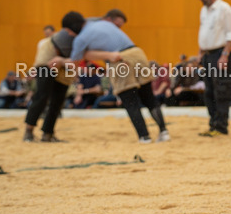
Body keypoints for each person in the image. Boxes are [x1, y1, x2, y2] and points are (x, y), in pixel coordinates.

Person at [52, 11, 169, 143]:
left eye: (68, 31)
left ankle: (144, 136)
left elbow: (74, 64)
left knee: (130, 101)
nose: (69, 34)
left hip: (120, 60)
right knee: (149, 98)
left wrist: (61, 61)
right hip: (138, 53)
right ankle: (164, 132)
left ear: (71, 28)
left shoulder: (80, 39)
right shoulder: (103, 23)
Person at [195, 0, 231, 137]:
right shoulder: (204, 11)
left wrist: (225, 55)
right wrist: (200, 54)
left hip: (220, 55)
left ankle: (221, 126)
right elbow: (203, 33)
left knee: (221, 91)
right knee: (209, 92)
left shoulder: (225, 9)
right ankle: (213, 124)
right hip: (207, 55)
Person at [23, 27, 75, 142]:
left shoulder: (68, 39)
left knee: (57, 102)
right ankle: (28, 131)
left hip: (64, 68)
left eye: (49, 32)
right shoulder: (45, 44)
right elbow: (40, 60)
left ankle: (48, 133)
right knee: (41, 97)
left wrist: (63, 61)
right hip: (47, 65)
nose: (47, 34)